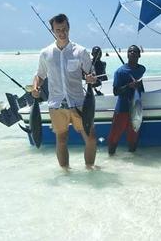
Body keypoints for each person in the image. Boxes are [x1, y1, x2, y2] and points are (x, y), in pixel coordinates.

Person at [31, 14, 98, 170]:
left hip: (79, 103)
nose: (62, 33)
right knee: (61, 139)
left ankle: (90, 169)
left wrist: (91, 78)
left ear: (69, 28)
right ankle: (65, 172)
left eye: (64, 29)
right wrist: (35, 87)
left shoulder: (80, 51)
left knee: (91, 138)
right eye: (58, 30)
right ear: (52, 30)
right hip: (56, 104)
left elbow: (91, 74)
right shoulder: (45, 53)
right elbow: (40, 75)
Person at [108, 45, 146, 155]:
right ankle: (111, 158)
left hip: (137, 107)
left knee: (133, 136)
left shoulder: (142, 69)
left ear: (139, 55)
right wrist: (129, 86)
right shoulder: (120, 72)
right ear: (127, 54)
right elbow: (115, 91)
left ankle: (133, 159)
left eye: (135, 51)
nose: (132, 53)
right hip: (122, 108)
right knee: (114, 136)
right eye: (130, 51)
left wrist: (138, 86)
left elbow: (141, 83)